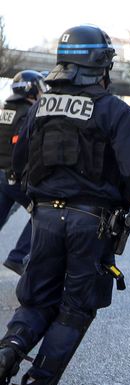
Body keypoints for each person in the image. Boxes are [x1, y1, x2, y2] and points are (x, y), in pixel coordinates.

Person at [0, 25, 130, 385]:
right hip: (90, 224)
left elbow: (18, 163)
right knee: (75, 309)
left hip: (44, 218)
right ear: (100, 64)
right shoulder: (113, 109)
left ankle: (8, 350)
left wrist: (37, 203)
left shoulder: (40, 108)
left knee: (37, 301)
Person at [0, 70, 47, 275]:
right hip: (13, 177)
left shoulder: (5, 110)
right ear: (31, 90)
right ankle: (18, 257)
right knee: (42, 213)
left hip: (1, 175)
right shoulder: (29, 113)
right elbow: (24, 149)